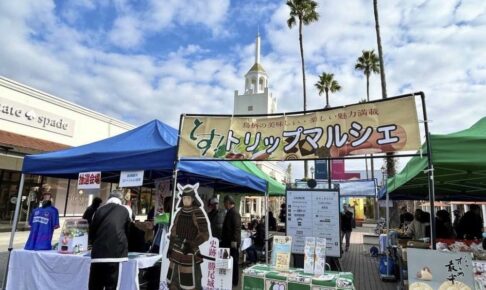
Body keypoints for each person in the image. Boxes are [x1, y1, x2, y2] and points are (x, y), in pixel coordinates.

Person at [167, 186, 209, 290]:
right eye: (184, 198)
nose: (186, 200)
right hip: (176, 251)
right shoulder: (179, 212)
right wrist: (170, 246)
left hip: (189, 252)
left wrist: (191, 245)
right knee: (173, 282)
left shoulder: (197, 212)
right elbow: (173, 230)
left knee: (191, 283)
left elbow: (204, 234)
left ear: (193, 199)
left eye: (188, 198)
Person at [89, 190, 131, 290]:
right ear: (121, 200)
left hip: (98, 254)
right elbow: (128, 230)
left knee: (95, 285)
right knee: (111, 286)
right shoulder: (125, 210)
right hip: (115, 254)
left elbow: (92, 231)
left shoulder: (98, 210)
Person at [221, 195, 241, 287]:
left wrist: (234, 242)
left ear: (228, 202)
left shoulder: (234, 213)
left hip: (232, 243)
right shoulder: (230, 212)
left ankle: (234, 281)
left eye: (225, 203)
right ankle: (229, 279)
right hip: (227, 243)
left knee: (234, 262)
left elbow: (236, 229)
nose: (224, 205)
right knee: (228, 262)